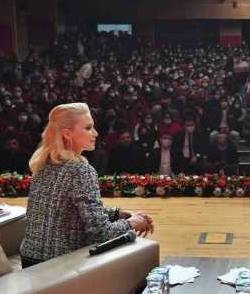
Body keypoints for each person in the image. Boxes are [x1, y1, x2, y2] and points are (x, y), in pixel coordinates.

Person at [20, 103, 154, 268]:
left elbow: (68, 211)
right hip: (59, 268)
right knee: (135, 250)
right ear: (67, 134)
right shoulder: (80, 169)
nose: (96, 133)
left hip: (29, 261)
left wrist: (120, 214)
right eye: (88, 128)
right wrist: (133, 223)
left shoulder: (42, 164)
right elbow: (101, 233)